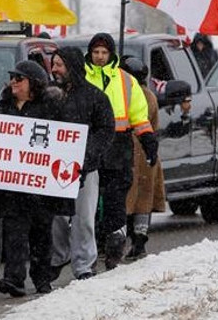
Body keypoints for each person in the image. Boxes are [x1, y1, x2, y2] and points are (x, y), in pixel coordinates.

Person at [0, 60, 73, 297]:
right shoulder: (3, 107)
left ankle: (42, 279)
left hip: (41, 189)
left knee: (41, 234)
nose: (13, 82)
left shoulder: (51, 109)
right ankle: (14, 279)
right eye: (12, 78)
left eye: (19, 79)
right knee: (15, 234)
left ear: (33, 84)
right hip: (12, 189)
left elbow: (64, 143)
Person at [83, 33, 158, 270]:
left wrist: (148, 141)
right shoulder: (81, 78)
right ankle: (91, 251)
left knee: (116, 202)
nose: (100, 57)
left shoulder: (127, 81)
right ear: (90, 53)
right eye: (96, 52)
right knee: (89, 205)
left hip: (118, 148)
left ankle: (114, 250)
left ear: (111, 54)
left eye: (104, 53)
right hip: (89, 149)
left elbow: (139, 116)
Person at [49, 47, 115, 281]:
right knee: (55, 217)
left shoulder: (95, 97)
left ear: (72, 66)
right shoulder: (49, 96)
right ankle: (57, 258)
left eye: (59, 65)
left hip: (85, 169)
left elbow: (106, 130)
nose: (54, 69)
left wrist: (87, 156)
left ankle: (84, 265)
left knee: (83, 218)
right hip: (52, 169)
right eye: (53, 64)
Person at [120, 56, 166, 261]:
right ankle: (139, 239)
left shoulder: (135, 95)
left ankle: (135, 240)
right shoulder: (149, 95)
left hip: (135, 152)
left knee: (131, 198)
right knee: (142, 199)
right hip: (146, 154)